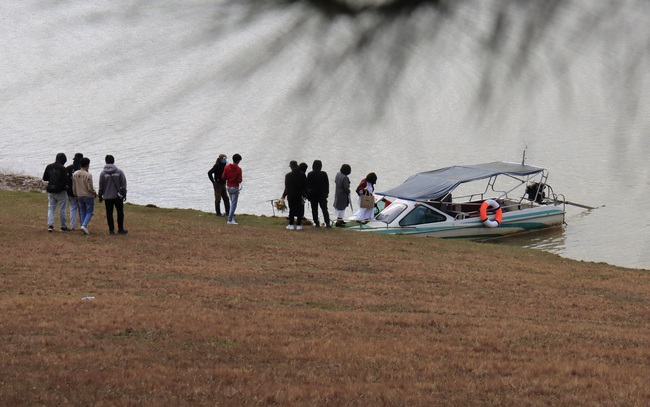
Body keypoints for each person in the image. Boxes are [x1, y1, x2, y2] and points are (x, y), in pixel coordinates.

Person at [98, 155, 128, 235]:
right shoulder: (119, 172)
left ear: (106, 161)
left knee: (109, 213)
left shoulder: (103, 173)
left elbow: (101, 186)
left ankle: (111, 229)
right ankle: (120, 229)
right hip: (118, 196)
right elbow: (123, 184)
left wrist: (100, 195)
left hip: (107, 196)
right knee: (120, 212)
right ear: (113, 161)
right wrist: (124, 194)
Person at [42, 152, 70, 232]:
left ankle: (50, 225)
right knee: (62, 209)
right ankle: (63, 227)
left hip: (51, 190)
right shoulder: (63, 168)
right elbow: (65, 180)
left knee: (51, 208)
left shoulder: (49, 166)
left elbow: (45, 178)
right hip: (61, 191)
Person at [72, 157, 97, 235]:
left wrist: (75, 194)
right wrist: (94, 192)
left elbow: (74, 186)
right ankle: (84, 225)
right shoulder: (88, 175)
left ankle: (83, 226)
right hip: (88, 195)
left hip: (79, 194)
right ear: (87, 165)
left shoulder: (75, 174)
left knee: (82, 211)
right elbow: (90, 187)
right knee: (90, 211)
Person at [282, 160, 307, 230]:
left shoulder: (288, 176)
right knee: (299, 210)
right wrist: (305, 195)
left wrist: (283, 196)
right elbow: (305, 186)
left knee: (291, 209)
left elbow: (287, 187)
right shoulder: (302, 175)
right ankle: (299, 225)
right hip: (299, 195)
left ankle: (291, 224)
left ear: (291, 167)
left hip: (291, 195)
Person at [306, 159, 331, 228]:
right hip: (322, 195)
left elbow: (307, 185)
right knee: (325, 209)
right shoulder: (324, 174)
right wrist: (327, 193)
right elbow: (327, 184)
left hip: (313, 195)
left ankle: (316, 222)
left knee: (314, 209)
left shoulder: (310, 174)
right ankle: (327, 223)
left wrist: (308, 195)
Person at [222, 153, 242, 225]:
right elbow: (239, 180)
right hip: (235, 187)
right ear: (238, 161)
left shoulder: (227, 167)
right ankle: (230, 219)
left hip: (228, 186)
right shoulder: (238, 169)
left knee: (231, 202)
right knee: (234, 204)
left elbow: (223, 177)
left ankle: (231, 218)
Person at [66, 153, 83, 230]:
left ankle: (72, 225)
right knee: (81, 208)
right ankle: (82, 224)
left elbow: (66, 180)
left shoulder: (68, 168)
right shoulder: (83, 170)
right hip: (80, 191)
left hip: (70, 190)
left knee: (73, 207)